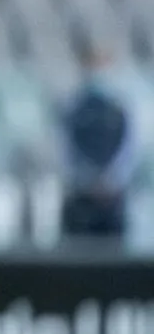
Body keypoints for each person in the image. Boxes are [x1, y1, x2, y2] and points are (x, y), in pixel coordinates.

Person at [61, 42, 139, 237]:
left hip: (114, 192)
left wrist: (111, 178)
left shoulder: (120, 107)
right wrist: (89, 178)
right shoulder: (74, 107)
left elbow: (129, 146)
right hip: (83, 191)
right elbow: (67, 146)